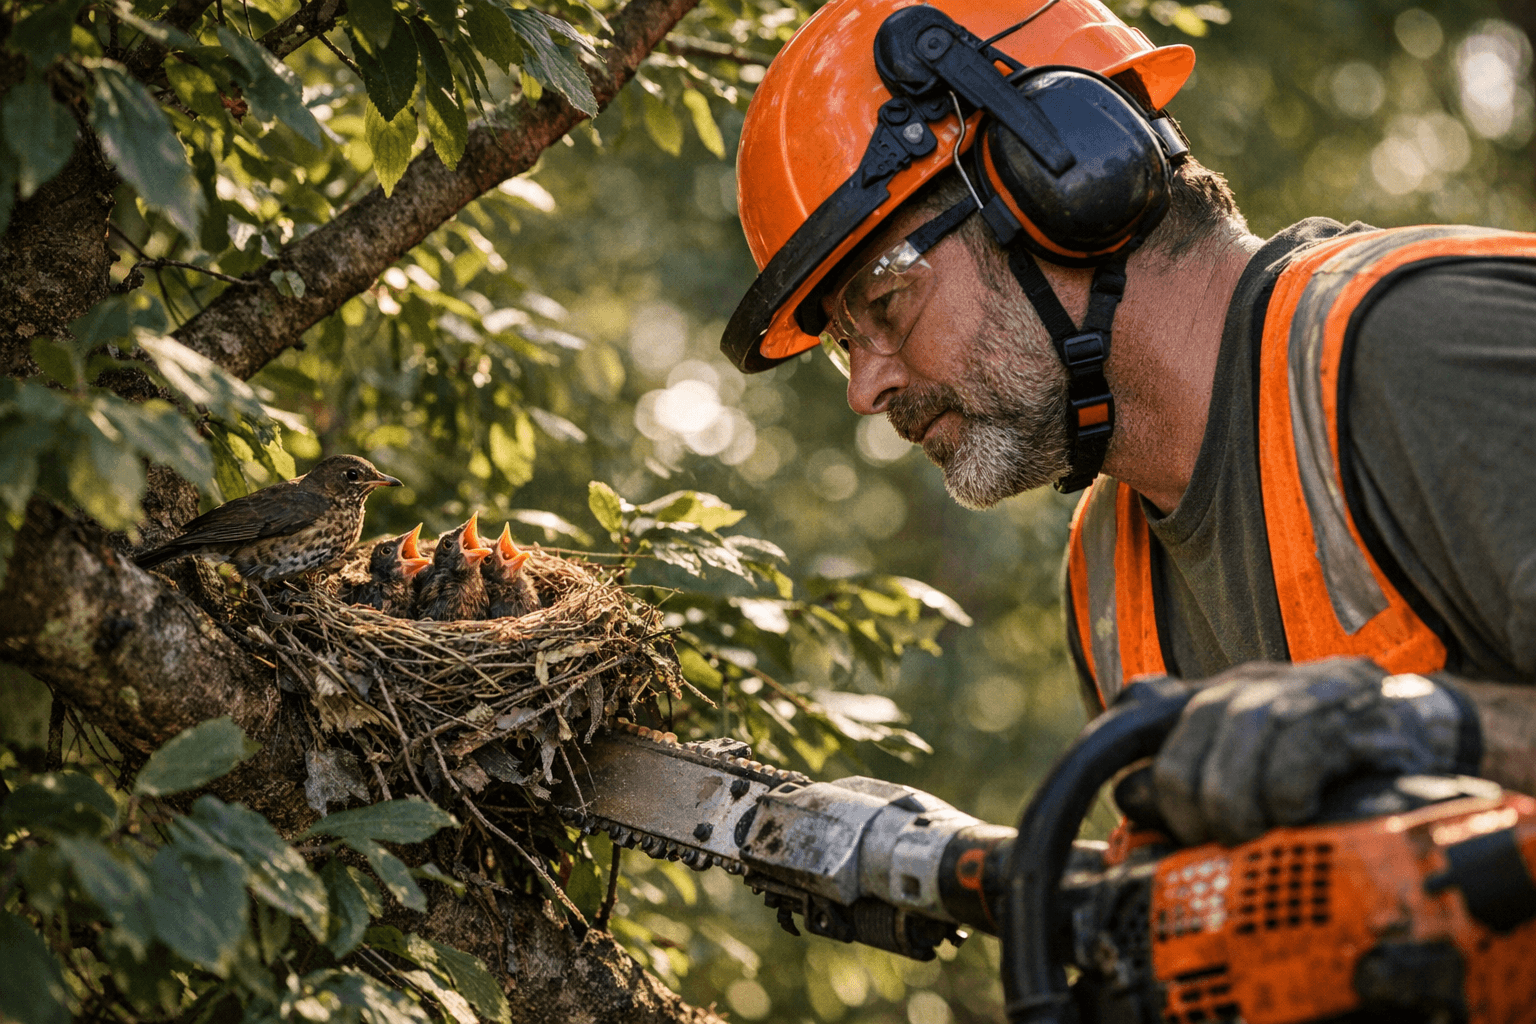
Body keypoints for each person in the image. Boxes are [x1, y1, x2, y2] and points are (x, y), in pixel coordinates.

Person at [718, 0, 1536, 848]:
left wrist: (1427, 728)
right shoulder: (1109, 577)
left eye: (883, 303)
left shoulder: (1417, 349)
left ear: (1058, 180)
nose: (865, 387)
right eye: (844, 344)